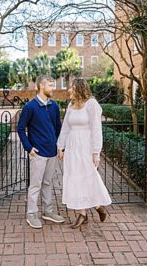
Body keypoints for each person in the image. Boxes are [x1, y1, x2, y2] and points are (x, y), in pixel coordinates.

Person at [58, 78, 112, 228]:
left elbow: (96, 129)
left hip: (86, 147)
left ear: (80, 89)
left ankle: (98, 207)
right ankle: (83, 213)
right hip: (72, 145)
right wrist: (60, 146)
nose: (69, 90)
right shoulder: (71, 105)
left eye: (72, 88)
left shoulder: (92, 104)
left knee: (88, 177)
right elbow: (66, 127)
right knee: (74, 178)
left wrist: (96, 152)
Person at [16, 75, 66, 229]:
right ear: (41, 86)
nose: (53, 88)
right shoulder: (30, 107)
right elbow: (20, 128)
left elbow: (58, 128)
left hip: (52, 152)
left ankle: (48, 211)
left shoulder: (54, 106)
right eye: (50, 85)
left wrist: (60, 147)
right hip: (37, 153)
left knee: (47, 183)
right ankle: (31, 214)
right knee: (35, 185)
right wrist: (29, 147)